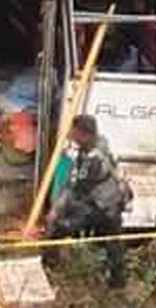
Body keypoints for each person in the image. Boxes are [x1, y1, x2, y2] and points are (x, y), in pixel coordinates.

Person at [44, 114, 130, 287]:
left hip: (102, 204)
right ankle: (117, 281)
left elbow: (76, 189)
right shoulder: (97, 144)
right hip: (110, 202)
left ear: (85, 134)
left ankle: (49, 265)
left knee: (61, 227)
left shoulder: (94, 159)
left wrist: (57, 211)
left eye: (74, 133)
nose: (71, 136)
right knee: (113, 241)